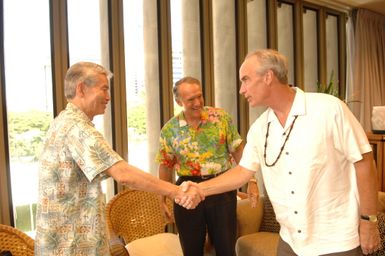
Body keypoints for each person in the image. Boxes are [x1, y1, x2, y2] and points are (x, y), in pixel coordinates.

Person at [182, 49, 381, 255]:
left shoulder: (329, 109)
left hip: (336, 241)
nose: (242, 89)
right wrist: (200, 189)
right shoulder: (260, 128)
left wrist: (369, 222)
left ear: (268, 77)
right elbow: (242, 171)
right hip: (290, 242)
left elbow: (364, 162)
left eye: (246, 80)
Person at [34, 62, 203, 256]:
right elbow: (122, 174)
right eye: (103, 89)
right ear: (81, 88)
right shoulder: (77, 128)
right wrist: (176, 191)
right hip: (71, 247)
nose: (108, 97)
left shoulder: (64, 121)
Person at [156, 76, 256, 256]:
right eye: (190, 99)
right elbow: (165, 165)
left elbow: (239, 151)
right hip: (186, 190)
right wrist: (163, 197)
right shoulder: (170, 130)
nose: (197, 102)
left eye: (199, 96)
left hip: (221, 187)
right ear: (179, 101)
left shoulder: (221, 118)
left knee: (226, 248)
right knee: (191, 249)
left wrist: (252, 180)